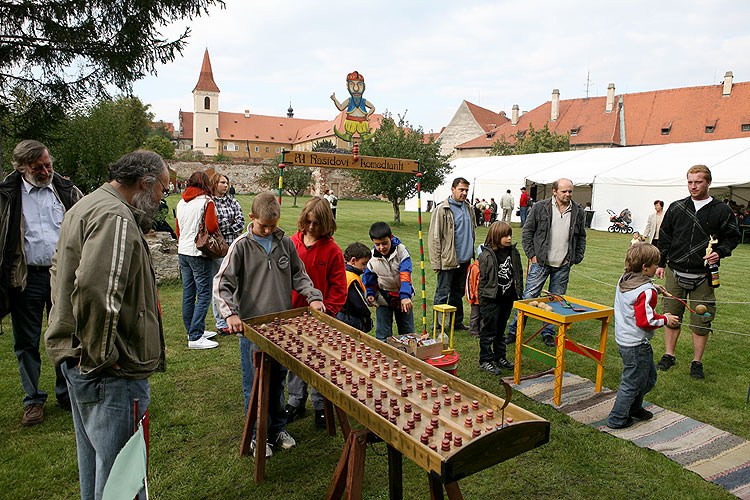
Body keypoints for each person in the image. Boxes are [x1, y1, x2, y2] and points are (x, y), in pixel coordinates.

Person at [45, 149, 168, 500]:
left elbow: (61, 274)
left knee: (100, 470)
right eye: (162, 189)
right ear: (144, 184)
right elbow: (97, 289)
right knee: (121, 479)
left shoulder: (88, 205)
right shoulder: (116, 216)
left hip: (83, 363)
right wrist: (101, 353)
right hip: (109, 374)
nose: (162, 199)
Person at [214, 192, 324, 458]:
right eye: (264, 225)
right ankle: (256, 436)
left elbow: (299, 275)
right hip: (253, 330)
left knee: (277, 383)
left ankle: (277, 429)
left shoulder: (284, 243)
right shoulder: (240, 246)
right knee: (254, 386)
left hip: (281, 327)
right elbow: (222, 284)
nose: (268, 230)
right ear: (252, 218)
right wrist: (230, 314)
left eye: (273, 226)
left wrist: (313, 297)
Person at [0, 140, 81, 426]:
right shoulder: (8, 195)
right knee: (26, 341)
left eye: (48, 164)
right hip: (27, 275)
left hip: (62, 274)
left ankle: (67, 392)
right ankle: (33, 399)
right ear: (23, 168)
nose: (46, 171)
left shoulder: (66, 191)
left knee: (66, 333)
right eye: (38, 167)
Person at [655, 165, 740, 380]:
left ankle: (696, 362)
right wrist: (660, 264)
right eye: (690, 182)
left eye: (698, 182)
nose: (693, 186)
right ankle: (668, 354)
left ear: (708, 183)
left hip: (703, 275)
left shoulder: (722, 211)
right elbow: (664, 237)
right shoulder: (677, 208)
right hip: (675, 271)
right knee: (671, 315)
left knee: (701, 319)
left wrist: (719, 252)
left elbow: (732, 237)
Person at [285, 197, 346, 429]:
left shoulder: (333, 251)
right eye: (308, 222)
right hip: (293, 314)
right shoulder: (291, 244)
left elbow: (339, 289)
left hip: (321, 318)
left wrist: (327, 311)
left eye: (317, 223)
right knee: (295, 358)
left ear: (326, 224)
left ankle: (320, 405)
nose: (311, 227)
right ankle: (295, 400)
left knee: (320, 360)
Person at [506, 178, 587, 347]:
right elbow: (527, 231)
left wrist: (576, 257)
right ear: (554, 191)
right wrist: (532, 255)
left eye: (570, 191)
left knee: (556, 301)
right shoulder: (539, 207)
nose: (568, 194)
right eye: (564, 191)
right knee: (529, 298)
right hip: (540, 262)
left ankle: (548, 332)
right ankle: (515, 331)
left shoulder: (578, 211)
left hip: (563, 265)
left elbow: (581, 236)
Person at [607, 243, 678, 429]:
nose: (658, 267)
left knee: (647, 378)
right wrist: (666, 319)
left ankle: (634, 409)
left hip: (625, 340)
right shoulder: (645, 292)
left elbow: (640, 288)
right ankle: (617, 418)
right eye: (655, 265)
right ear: (645, 267)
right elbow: (645, 320)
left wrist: (654, 286)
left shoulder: (625, 279)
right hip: (636, 344)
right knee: (632, 383)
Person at [175, 171, 220, 349]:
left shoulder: (181, 202)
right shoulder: (206, 202)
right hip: (198, 252)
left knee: (188, 292)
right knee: (203, 293)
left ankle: (192, 329)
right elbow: (212, 226)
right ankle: (195, 336)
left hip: (183, 250)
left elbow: (178, 228)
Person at [429, 177, 476, 331]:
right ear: (453, 189)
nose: (464, 193)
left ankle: (456, 323)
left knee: (458, 294)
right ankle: (437, 326)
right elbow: (435, 237)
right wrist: (436, 263)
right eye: (461, 189)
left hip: (465, 260)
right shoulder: (442, 209)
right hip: (448, 260)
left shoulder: (468, 208)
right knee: (442, 294)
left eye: (466, 190)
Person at [477, 222, 523, 375]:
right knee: (488, 331)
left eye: (510, 235)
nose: (509, 238)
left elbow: (518, 273)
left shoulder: (514, 252)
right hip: (491, 300)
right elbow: (482, 281)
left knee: (501, 330)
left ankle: (499, 356)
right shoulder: (486, 255)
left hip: (507, 298)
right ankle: (485, 359)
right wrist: (483, 301)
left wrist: (519, 292)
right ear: (496, 236)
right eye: (505, 235)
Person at [363, 222, 415, 341]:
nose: (382, 247)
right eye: (377, 244)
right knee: (383, 334)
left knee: (408, 334)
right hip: (383, 298)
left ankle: (409, 357)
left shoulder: (401, 251)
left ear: (391, 238)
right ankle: (383, 357)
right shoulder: (371, 258)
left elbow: (405, 275)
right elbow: (369, 279)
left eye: (384, 243)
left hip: (404, 297)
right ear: (373, 242)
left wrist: (405, 296)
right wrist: (370, 294)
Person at [210, 173, 245, 336]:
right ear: (215, 184)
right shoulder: (210, 202)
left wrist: (227, 226)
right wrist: (227, 224)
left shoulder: (233, 201)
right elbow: (214, 225)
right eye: (222, 182)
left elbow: (241, 222)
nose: (225, 185)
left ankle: (235, 316)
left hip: (233, 247)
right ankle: (221, 321)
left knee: (236, 282)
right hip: (218, 249)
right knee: (219, 284)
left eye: (227, 182)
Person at [335, 242, 373, 333]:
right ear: (353, 261)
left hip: (338, 314)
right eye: (363, 264)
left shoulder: (341, 271)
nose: (365, 267)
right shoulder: (353, 279)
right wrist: (368, 319)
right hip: (351, 319)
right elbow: (360, 304)